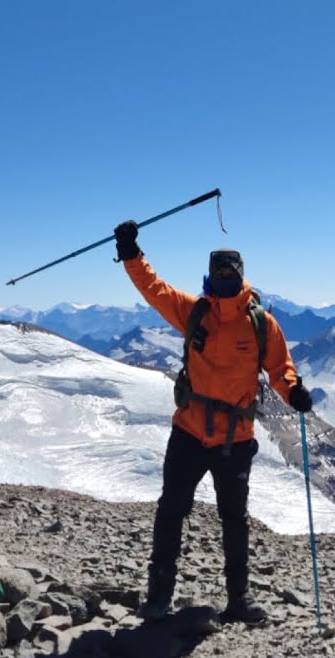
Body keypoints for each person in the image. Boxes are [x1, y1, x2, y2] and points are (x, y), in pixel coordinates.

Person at [113, 219, 314, 622]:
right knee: (172, 510)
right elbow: (154, 289)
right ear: (209, 275)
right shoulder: (193, 312)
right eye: (218, 272)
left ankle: (238, 601)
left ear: (240, 276)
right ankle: (159, 597)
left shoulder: (260, 323)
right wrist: (131, 253)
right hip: (190, 431)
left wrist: (292, 391)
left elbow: (280, 368)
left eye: (229, 273)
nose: (223, 278)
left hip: (234, 438)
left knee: (233, 520)